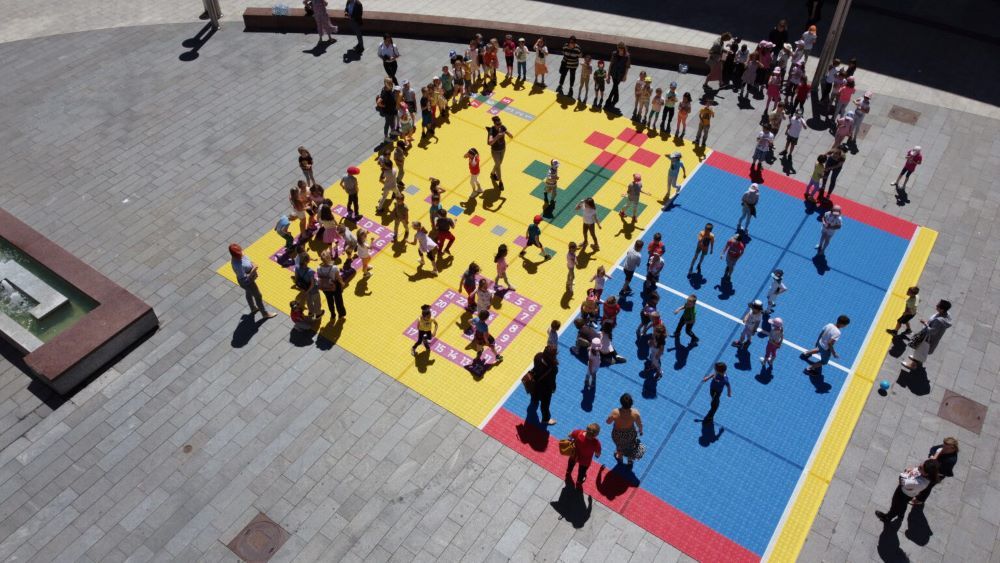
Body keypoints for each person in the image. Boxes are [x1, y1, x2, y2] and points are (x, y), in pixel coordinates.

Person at [875, 459, 940, 523]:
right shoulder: (926, 474)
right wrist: (911, 471)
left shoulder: (919, 483)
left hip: (903, 494)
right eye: (921, 464)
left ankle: (888, 517)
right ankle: (901, 515)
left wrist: (906, 471)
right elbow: (915, 470)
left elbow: (901, 479)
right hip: (909, 494)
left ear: (926, 474)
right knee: (903, 504)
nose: (919, 466)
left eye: (920, 468)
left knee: (895, 505)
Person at [901, 300, 953, 370]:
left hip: (928, 339)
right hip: (931, 338)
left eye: (938, 305)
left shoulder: (939, 321)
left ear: (942, 309)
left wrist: (925, 323)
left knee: (920, 350)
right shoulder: (947, 315)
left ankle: (913, 365)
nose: (936, 305)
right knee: (921, 350)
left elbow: (931, 331)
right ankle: (916, 358)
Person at [229, 244, 277, 319]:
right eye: (240, 253)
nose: (242, 254)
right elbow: (245, 279)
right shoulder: (237, 265)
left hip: (249, 279)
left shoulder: (241, 254)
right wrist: (253, 270)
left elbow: (248, 261)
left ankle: (253, 308)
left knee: (249, 292)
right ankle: (265, 314)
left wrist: (253, 264)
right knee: (258, 296)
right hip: (246, 282)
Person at [913, 438, 959, 505]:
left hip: (937, 474)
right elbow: (933, 448)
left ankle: (920, 500)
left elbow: (936, 467)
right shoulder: (944, 447)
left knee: (927, 487)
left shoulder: (951, 460)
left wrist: (934, 457)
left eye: (946, 448)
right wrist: (932, 455)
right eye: (943, 446)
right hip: (929, 469)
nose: (943, 448)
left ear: (953, 448)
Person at [607, 394, 645, 465]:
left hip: (618, 434)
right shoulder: (635, 413)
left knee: (619, 447)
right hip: (630, 434)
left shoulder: (615, 412)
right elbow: (640, 424)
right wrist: (640, 431)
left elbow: (608, 422)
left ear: (621, 402)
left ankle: (620, 457)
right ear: (631, 403)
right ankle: (630, 460)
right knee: (631, 447)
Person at [566, 424, 602, 489]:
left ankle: (568, 472)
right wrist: (597, 456)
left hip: (574, 454)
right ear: (596, 434)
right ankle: (579, 481)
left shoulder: (578, 432)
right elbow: (597, 454)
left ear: (587, 429)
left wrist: (570, 441)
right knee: (582, 472)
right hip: (585, 461)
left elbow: (569, 435)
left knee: (571, 463)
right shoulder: (596, 443)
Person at [531, 345, 559, 425]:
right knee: (545, 405)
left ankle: (534, 400)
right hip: (545, 388)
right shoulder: (553, 368)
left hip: (535, 381)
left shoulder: (538, 356)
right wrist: (553, 388)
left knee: (535, 394)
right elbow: (552, 380)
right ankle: (546, 419)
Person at [294, 253, 324, 319]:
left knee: (308, 301)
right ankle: (318, 314)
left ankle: (311, 312)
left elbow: (296, 279)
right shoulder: (310, 271)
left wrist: (304, 290)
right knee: (316, 302)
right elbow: (312, 284)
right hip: (313, 290)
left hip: (304, 288)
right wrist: (308, 291)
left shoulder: (297, 267)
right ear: (306, 261)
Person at [487, 116, 513, 190]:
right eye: (498, 124)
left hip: (503, 149)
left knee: (499, 163)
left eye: (500, 123)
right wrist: (497, 137)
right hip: (495, 151)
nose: (499, 125)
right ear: (494, 124)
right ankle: (500, 181)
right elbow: (490, 142)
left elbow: (510, 135)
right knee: (498, 166)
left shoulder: (502, 127)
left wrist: (508, 134)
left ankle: (492, 173)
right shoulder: (491, 130)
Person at [605, 42, 630, 113]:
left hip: (620, 74)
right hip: (613, 72)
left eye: (621, 48)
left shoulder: (627, 56)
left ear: (624, 48)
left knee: (615, 86)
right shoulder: (614, 54)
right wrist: (608, 75)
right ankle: (615, 98)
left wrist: (625, 76)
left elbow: (627, 67)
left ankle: (609, 99)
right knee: (615, 86)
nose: (620, 49)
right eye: (619, 48)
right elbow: (611, 64)